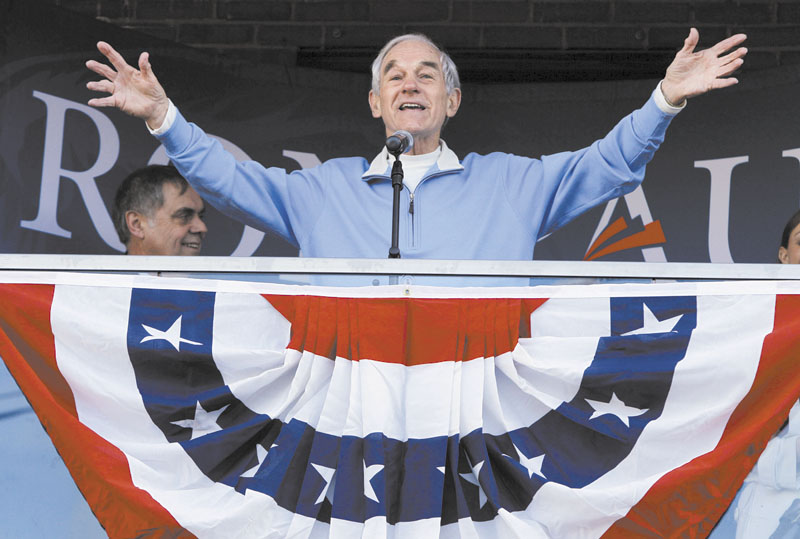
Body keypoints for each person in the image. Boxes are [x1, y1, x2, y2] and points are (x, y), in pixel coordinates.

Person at [86, 30, 746, 265]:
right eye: (393, 76)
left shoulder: (511, 184)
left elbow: (606, 166)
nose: (409, 82)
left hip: (476, 417)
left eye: (427, 73)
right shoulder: (321, 190)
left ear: (452, 101)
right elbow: (231, 180)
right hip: (347, 418)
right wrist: (165, 117)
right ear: (374, 103)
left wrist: (664, 100)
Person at [113, 164, 207, 256]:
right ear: (137, 224)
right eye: (184, 216)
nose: (202, 228)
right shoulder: (101, 272)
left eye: (201, 216)